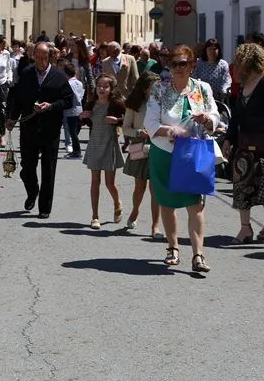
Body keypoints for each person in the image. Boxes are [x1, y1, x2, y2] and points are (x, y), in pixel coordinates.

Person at [143, 44, 218, 272]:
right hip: (165, 152)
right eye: (174, 63)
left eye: (183, 64)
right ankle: (172, 247)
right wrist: (170, 131)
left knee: (196, 204)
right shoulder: (159, 89)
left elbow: (215, 116)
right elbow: (150, 122)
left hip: (194, 153)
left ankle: (198, 255)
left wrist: (207, 118)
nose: (178, 68)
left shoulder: (203, 89)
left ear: (193, 65)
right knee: (167, 202)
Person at [223, 43, 264, 244]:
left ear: (249, 61)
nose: (236, 66)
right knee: (242, 186)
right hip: (244, 143)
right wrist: (228, 139)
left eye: (240, 61)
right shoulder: (244, 85)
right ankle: (245, 229)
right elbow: (236, 117)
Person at [5, 42, 73, 218]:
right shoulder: (27, 73)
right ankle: (32, 190)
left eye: (45, 57)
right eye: (38, 57)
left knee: (48, 169)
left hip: (50, 130)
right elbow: (18, 98)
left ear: (50, 57)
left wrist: (50, 106)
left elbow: (68, 100)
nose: (41, 61)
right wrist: (12, 117)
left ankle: (45, 208)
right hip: (29, 127)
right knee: (27, 167)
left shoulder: (58, 76)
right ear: (33, 55)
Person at [80, 74, 125, 229]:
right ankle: (95, 216)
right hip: (94, 143)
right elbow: (81, 122)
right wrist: (82, 117)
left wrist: (118, 121)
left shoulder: (117, 104)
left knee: (109, 183)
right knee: (95, 181)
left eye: (105, 86)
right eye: (99, 85)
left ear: (111, 89)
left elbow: (129, 120)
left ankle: (117, 202)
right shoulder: (91, 103)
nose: (102, 89)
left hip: (110, 144)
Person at [122, 71, 162, 238]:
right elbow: (125, 128)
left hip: (158, 147)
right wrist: (140, 132)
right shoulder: (135, 103)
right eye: (153, 86)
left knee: (156, 189)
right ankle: (135, 211)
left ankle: (155, 226)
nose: (157, 89)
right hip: (140, 146)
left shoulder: (162, 103)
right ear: (145, 87)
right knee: (140, 187)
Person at [193, 38, 232, 103]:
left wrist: (224, 90)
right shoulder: (199, 63)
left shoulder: (223, 64)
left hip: (218, 99)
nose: (212, 52)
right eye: (210, 49)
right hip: (201, 98)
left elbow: (227, 80)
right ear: (205, 50)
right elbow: (194, 78)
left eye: (215, 49)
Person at [62, 63, 84, 159]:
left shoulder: (68, 84)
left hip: (70, 110)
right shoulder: (79, 83)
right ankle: (76, 150)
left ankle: (77, 151)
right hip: (79, 109)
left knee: (73, 133)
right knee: (75, 132)